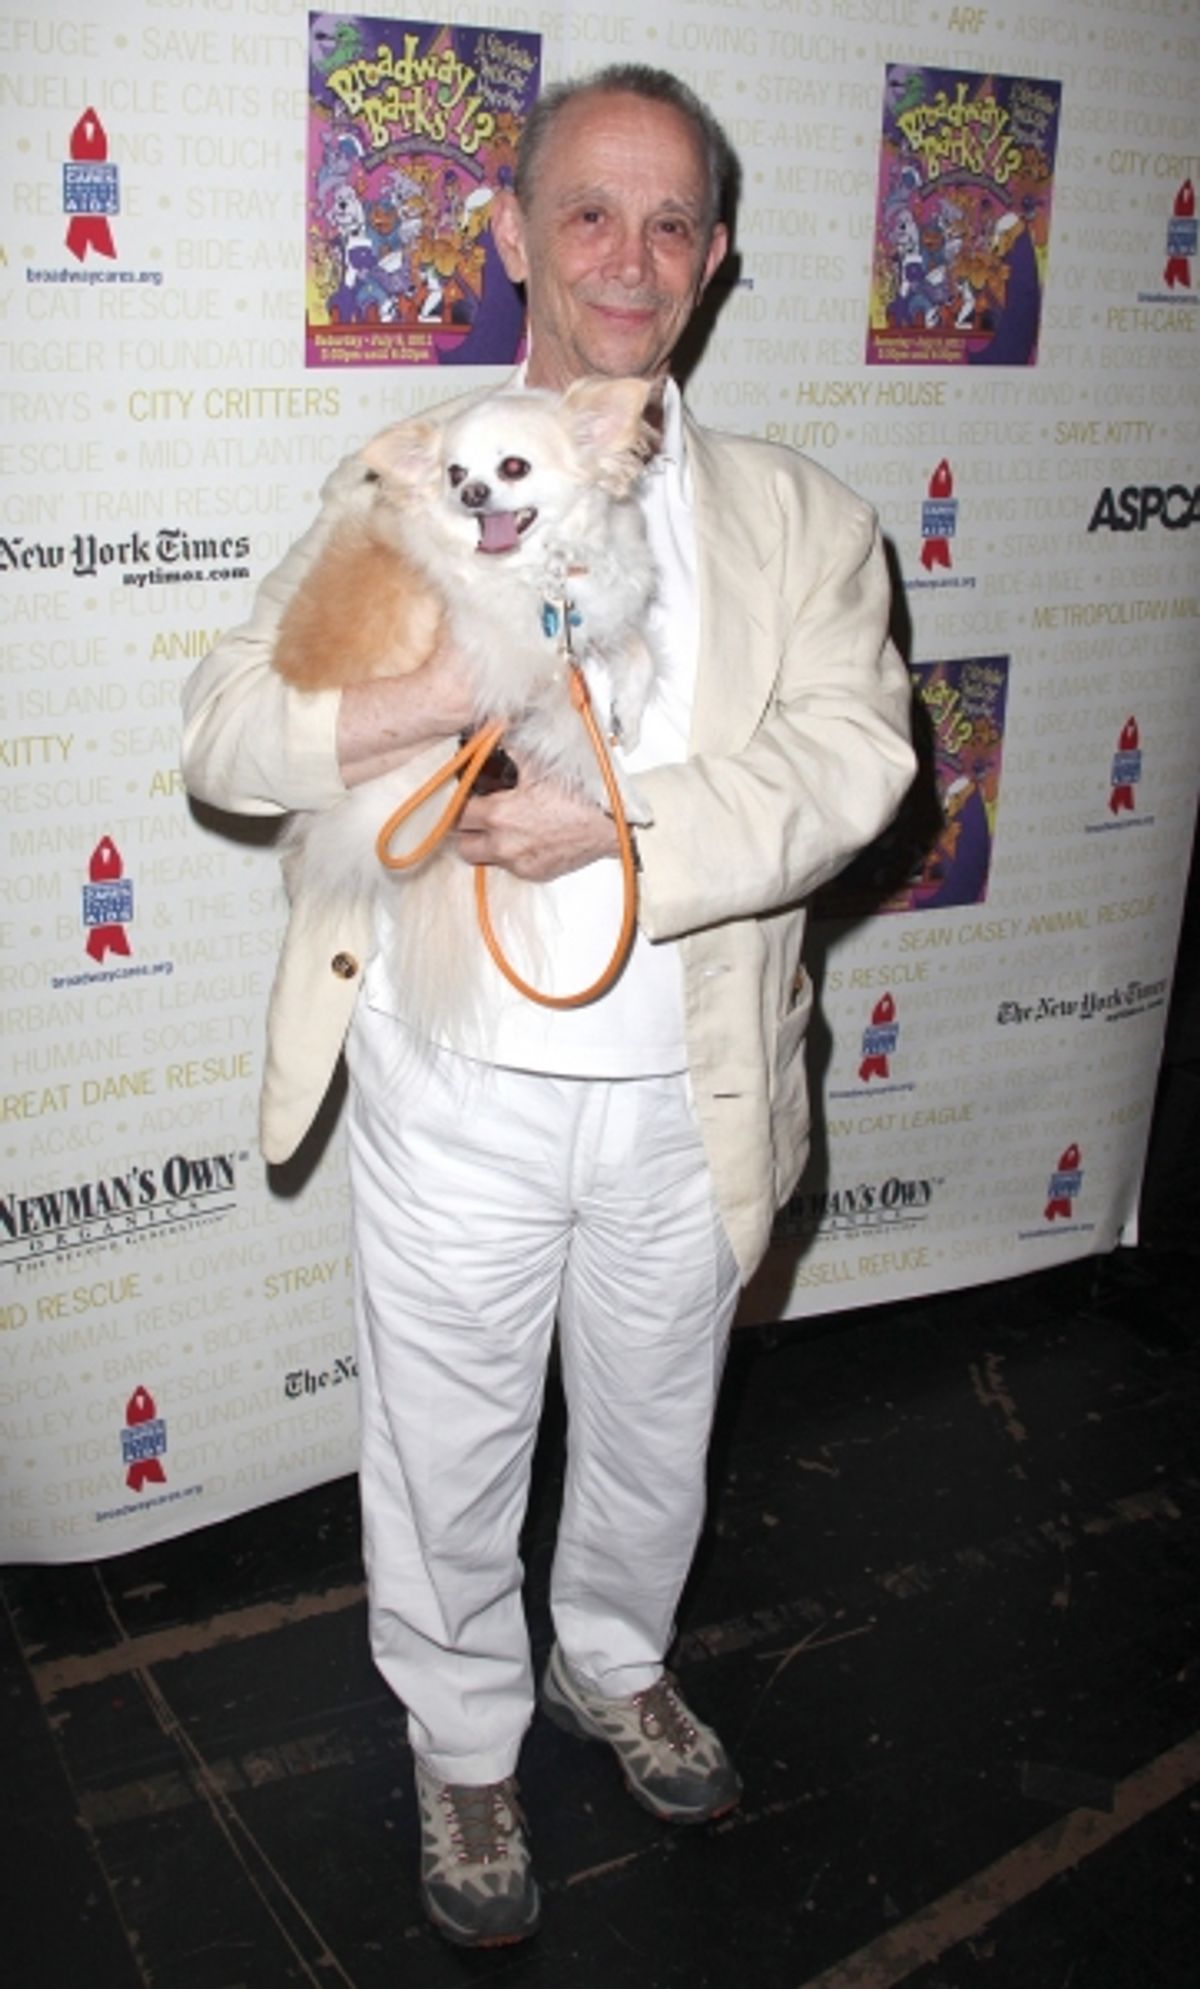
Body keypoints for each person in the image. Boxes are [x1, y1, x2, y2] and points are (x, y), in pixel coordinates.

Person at [181, 64, 916, 1949]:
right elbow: (229, 734)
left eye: (672, 223)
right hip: (455, 1087)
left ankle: (613, 1658)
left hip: (691, 1086)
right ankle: (461, 1740)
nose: (628, 259)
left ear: (718, 258)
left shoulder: (803, 520)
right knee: (446, 1442)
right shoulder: (410, 482)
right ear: (512, 233)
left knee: (661, 1423)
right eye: (588, 211)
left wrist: (621, 826)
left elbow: (857, 763)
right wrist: (436, 691)